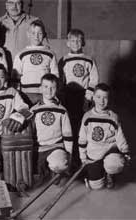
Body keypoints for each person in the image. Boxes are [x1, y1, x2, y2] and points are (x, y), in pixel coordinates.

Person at [58, 29, 99, 169]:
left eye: (79, 40)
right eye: (73, 40)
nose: (76, 43)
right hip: (68, 97)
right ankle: (70, 158)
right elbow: (60, 81)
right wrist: (61, 97)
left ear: (83, 42)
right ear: (67, 43)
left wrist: (88, 96)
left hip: (83, 97)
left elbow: (94, 80)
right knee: (69, 127)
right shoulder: (63, 60)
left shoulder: (89, 59)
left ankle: (82, 159)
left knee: (82, 127)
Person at [78, 83, 130, 189]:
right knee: (96, 187)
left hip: (109, 150)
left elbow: (120, 137)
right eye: (98, 97)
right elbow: (82, 139)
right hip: (94, 153)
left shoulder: (113, 117)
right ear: (93, 97)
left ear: (109, 99)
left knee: (115, 164)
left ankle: (110, 173)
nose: (102, 101)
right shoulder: (87, 116)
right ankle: (96, 172)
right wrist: (83, 157)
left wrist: (125, 152)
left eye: (105, 98)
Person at [0, 63, 31, 168]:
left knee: (5, 167)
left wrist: (17, 118)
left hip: (5, 137)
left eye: (2, 77)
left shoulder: (11, 92)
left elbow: (25, 108)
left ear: (6, 78)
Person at [30, 74, 73, 185]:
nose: (49, 90)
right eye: (45, 87)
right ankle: (46, 170)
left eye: (52, 88)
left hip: (56, 147)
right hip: (39, 148)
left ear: (56, 89)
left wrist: (69, 154)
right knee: (36, 180)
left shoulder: (62, 110)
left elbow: (68, 134)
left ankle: (55, 170)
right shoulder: (34, 110)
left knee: (60, 165)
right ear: (40, 88)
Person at [13, 19, 59, 106]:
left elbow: (55, 75)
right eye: (33, 33)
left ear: (44, 35)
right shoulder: (21, 54)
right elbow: (15, 78)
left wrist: (54, 93)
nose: (36, 36)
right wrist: (17, 94)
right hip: (26, 94)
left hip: (45, 94)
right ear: (28, 34)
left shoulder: (50, 54)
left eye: (40, 33)